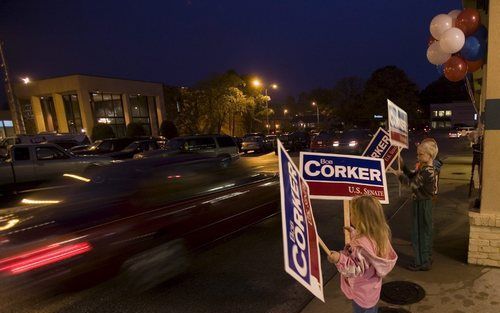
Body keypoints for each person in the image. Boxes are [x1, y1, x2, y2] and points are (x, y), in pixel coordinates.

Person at [327, 196, 398, 313]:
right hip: (372, 290)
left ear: (361, 219)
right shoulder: (379, 235)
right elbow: (367, 250)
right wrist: (354, 234)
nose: (350, 216)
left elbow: (354, 269)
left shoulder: (361, 245)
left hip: (361, 293)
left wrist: (338, 259)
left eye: (352, 213)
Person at [398, 140, 438, 271]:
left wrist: (399, 176)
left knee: (419, 234)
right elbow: (412, 176)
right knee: (425, 232)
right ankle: (426, 258)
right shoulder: (426, 168)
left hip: (422, 205)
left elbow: (412, 184)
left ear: (429, 155)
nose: (418, 157)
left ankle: (421, 262)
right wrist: (402, 166)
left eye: (421, 155)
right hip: (423, 203)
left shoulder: (427, 171)